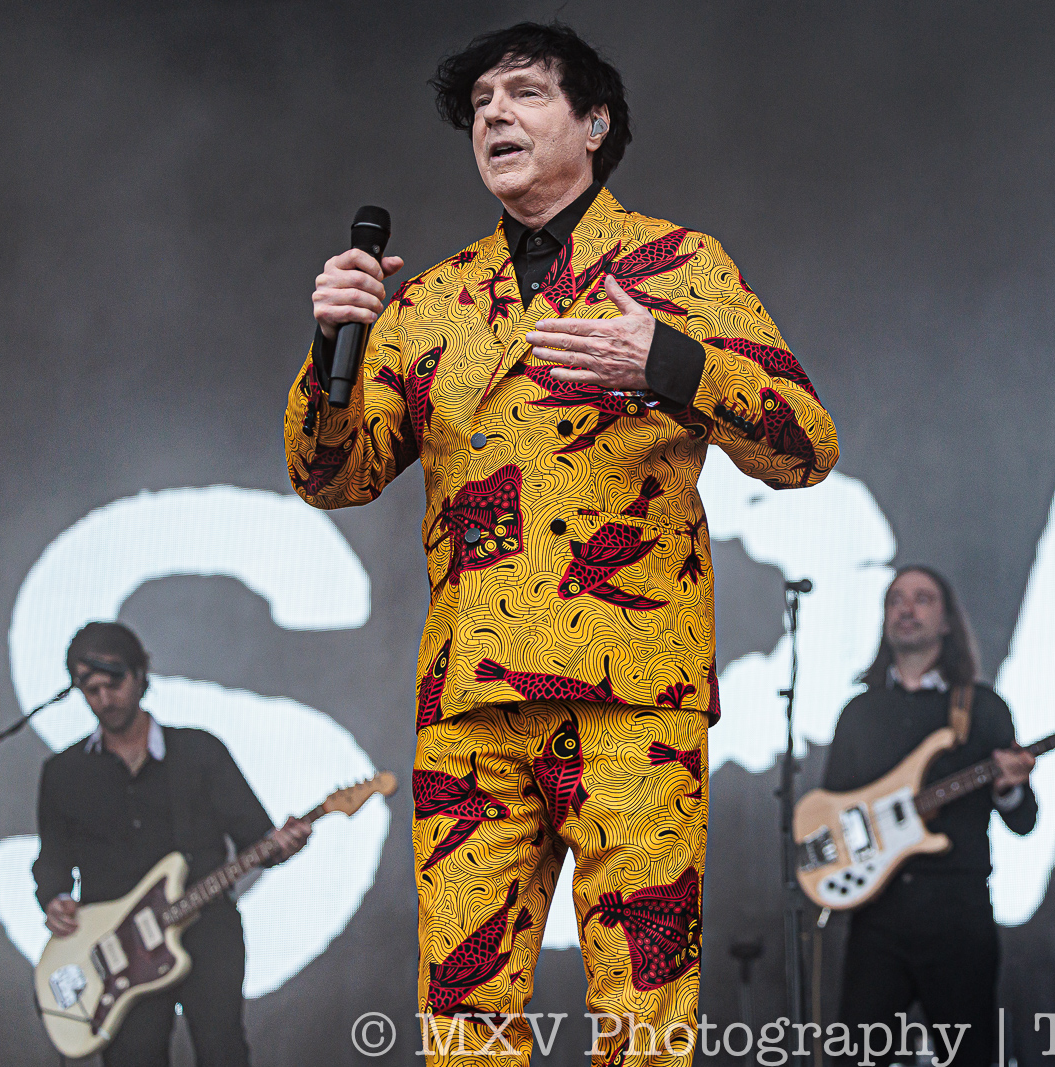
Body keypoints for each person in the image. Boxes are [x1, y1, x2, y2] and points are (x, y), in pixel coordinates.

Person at [282, 21, 837, 1067]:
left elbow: (806, 445)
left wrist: (672, 363)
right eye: (480, 104)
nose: (494, 113)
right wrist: (331, 346)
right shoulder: (430, 302)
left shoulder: (676, 263)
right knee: (463, 1016)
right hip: (471, 701)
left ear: (594, 123)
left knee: (642, 1012)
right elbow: (329, 476)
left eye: (526, 93)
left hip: (630, 693)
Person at [32, 622, 311, 1067]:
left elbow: (256, 838)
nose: (104, 699)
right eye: (91, 689)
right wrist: (55, 899)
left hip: (207, 929)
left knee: (222, 1050)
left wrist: (282, 845)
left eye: (114, 683)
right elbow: (53, 859)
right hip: (116, 944)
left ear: (141, 674)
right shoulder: (64, 773)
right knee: (133, 1057)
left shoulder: (200, 752)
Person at [823, 567, 1037, 1067]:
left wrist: (1009, 788)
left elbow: (1024, 820)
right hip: (879, 920)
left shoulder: (983, 708)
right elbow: (829, 811)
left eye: (922, 598)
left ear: (946, 622)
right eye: (896, 599)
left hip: (958, 918)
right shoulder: (859, 712)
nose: (907, 608)